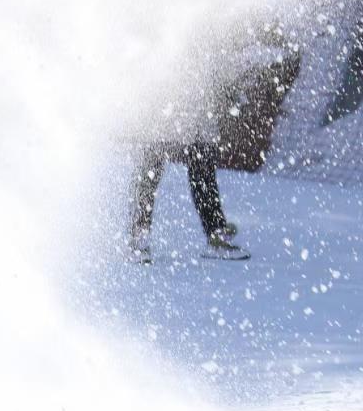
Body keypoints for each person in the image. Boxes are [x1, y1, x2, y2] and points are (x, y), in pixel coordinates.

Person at [127, 27, 302, 264]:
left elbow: (217, 60)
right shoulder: (167, 19)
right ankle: (139, 236)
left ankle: (215, 234)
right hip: (165, 100)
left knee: (201, 160)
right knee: (153, 158)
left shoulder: (209, 24)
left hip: (196, 103)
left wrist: (227, 94)